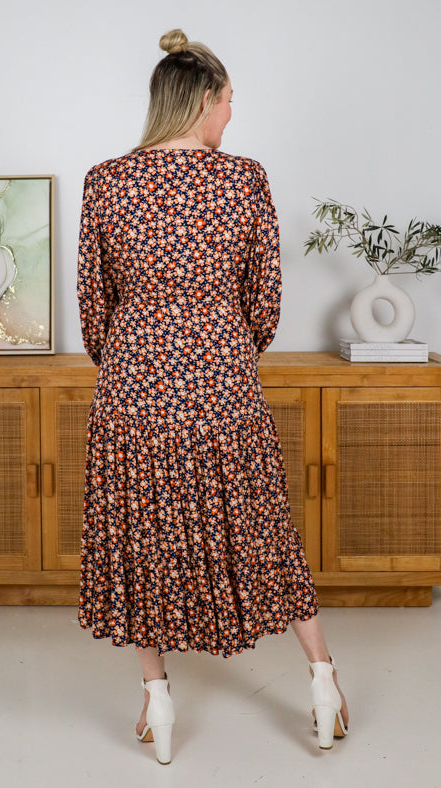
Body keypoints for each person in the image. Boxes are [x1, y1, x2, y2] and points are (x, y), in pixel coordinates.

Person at [76, 28, 349, 764]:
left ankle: (157, 701)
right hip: (224, 385)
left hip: (132, 391)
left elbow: (93, 309)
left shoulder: (104, 181)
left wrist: (133, 359)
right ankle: (323, 682)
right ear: (202, 101)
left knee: (143, 543)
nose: (232, 114)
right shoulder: (244, 179)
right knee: (266, 531)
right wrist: (223, 350)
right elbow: (265, 302)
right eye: (228, 101)